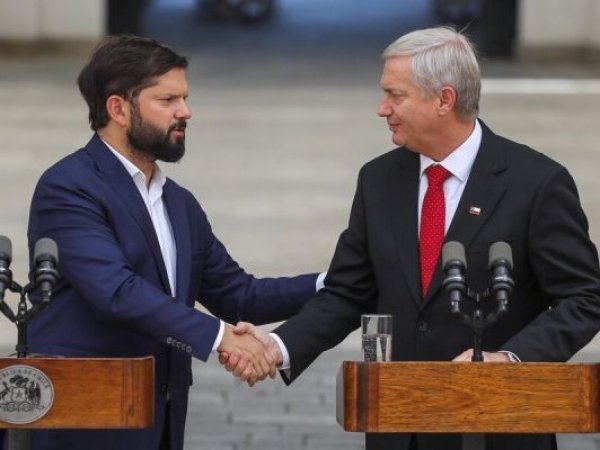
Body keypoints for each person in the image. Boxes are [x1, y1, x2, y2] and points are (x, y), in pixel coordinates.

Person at [224, 26, 600, 450]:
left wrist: (510, 360)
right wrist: (277, 346)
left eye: (395, 95)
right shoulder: (378, 179)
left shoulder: (536, 183)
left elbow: (584, 298)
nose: (382, 109)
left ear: (444, 99)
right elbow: (348, 291)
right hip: (399, 425)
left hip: (495, 426)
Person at [20, 35, 323, 450]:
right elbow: (116, 293)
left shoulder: (178, 203)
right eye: (168, 100)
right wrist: (221, 337)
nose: (185, 111)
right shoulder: (69, 188)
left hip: (159, 423)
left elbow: (239, 295)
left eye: (185, 98)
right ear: (118, 109)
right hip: (83, 422)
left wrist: (335, 282)